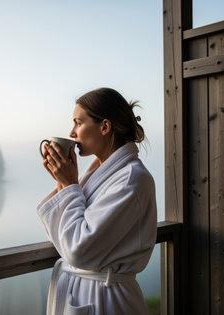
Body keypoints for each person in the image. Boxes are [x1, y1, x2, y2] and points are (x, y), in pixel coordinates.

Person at [38, 87, 157, 315]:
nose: (72, 133)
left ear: (104, 126)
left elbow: (78, 251)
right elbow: (62, 238)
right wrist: (63, 183)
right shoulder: (96, 173)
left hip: (108, 297)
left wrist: (70, 185)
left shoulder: (132, 179)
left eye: (78, 123)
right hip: (84, 291)